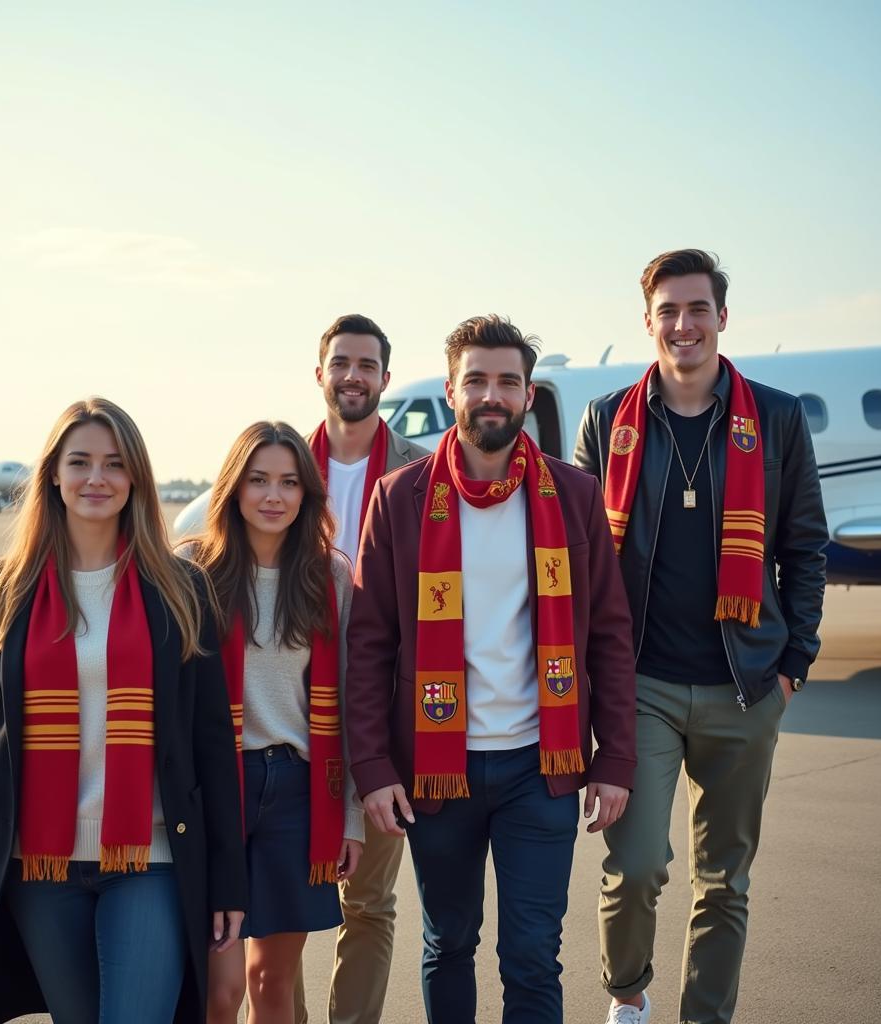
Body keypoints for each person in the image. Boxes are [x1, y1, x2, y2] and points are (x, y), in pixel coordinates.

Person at [345, 315, 637, 1024]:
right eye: (476, 380)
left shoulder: (573, 495)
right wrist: (374, 769)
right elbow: (369, 645)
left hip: (542, 767)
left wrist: (616, 759)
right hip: (436, 770)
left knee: (532, 953)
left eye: (507, 381)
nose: (491, 395)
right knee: (448, 943)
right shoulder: (401, 498)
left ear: (528, 395)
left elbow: (608, 634)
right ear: (451, 391)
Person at [573, 249, 828, 1024]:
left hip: (744, 684)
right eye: (668, 311)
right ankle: (629, 997)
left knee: (725, 879)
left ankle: (705, 1015)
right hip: (640, 685)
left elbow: (804, 546)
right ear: (648, 322)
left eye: (697, 308)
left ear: (722, 316)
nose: (683, 325)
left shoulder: (777, 418)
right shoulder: (607, 419)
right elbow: (581, 557)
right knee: (638, 865)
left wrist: (793, 665)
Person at [0, 397, 247, 1024]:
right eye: (79, 462)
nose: (96, 479)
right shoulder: (3, 591)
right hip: (38, 864)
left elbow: (213, 744)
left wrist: (228, 881)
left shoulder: (182, 590)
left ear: (135, 476)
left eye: (114, 463)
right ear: (53, 474)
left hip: (151, 858)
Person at [187, 421, 365, 1024]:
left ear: (307, 495)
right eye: (258, 479)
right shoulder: (193, 573)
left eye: (289, 482)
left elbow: (349, 701)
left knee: (272, 983)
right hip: (218, 788)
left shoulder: (329, 576)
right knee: (221, 989)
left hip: (297, 791)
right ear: (234, 488)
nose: (273, 496)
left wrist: (351, 818)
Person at [306, 313, 428, 1024]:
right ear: (319, 371)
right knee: (279, 897)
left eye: (367, 365)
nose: (353, 376)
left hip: (387, 712)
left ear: (385, 377)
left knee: (370, 902)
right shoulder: (284, 462)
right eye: (341, 362)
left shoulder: (420, 469)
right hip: (294, 708)